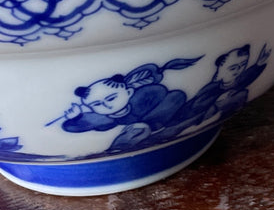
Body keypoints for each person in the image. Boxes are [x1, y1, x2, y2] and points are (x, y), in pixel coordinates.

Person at [58, 58, 202, 154]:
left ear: (128, 91)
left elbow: (172, 96)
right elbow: (78, 125)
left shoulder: (143, 96)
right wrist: (75, 116)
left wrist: (152, 124)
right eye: (97, 104)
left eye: (111, 98)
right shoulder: (103, 118)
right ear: (90, 107)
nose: (106, 105)